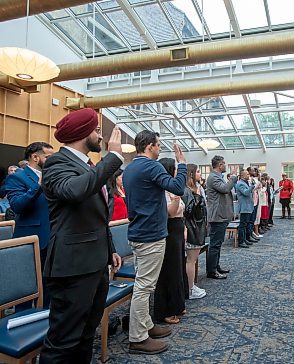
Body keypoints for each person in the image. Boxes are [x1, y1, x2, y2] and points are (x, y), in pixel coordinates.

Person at [39, 108, 123, 363]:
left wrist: (110, 249)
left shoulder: (88, 166)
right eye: (97, 130)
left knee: (87, 333)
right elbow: (74, 191)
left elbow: (97, 217)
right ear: (82, 133)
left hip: (95, 262)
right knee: (64, 341)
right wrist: (114, 157)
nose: (100, 136)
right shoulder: (57, 163)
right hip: (73, 267)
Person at [123, 130, 186, 355]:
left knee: (145, 284)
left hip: (139, 232)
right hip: (150, 234)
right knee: (144, 287)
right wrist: (182, 164)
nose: (160, 149)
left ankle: (146, 325)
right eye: (158, 145)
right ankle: (138, 338)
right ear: (149, 146)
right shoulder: (151, 166)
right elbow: (178, 188)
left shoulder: (130, 167)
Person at [3, 142, 54, 309]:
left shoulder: (51, 175)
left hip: (52, 238)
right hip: (30, 239)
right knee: (26, 290)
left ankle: (45, 323)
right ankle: (24, 330)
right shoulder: (17, 177)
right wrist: (37, 187)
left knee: (49, 287)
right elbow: (17, 205)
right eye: (48, 157)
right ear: (35, 157)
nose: (51, 160)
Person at [154, 158, 187, 326]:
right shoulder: (163, 190)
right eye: (175, 169)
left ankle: (178, 304)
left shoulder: (172, 188)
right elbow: (171, 212)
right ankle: (166, 310)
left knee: (179, 268)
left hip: (178, 229)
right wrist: (175, 198)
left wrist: (185, 229)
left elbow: (182, 212)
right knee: (170, 270)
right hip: (169, 229)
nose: (177, 173)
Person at [206, 155, 237, 279]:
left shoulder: (218, 177)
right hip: (217, 215)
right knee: (215, 244)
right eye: (224, 163)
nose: (225, 165)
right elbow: (225, 189)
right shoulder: (213, 177)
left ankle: (215, 266)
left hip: (221, 215)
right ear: (219, 165)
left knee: (218, 243)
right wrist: (233, 177)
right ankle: (211, 271)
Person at [182, 163, 208, 299]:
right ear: (191, 174)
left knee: (192, 260)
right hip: (192, 228)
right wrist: (198, 197)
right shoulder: (187, 190)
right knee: (191, 260)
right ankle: (190, 289)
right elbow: (189, 211)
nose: (200, 174)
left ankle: (190, 285)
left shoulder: (195, 188)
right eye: (198, 171)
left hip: (196, 227)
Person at [235, 169, 255, 248]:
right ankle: (241, 241)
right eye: (247, 174)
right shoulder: (240, 184)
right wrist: (253, 186)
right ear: (242, 175)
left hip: (248, 206)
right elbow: (246, 193)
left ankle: (245, 239)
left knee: (246, 224)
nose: (248, 175)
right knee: (242, 225)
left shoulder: (245, 183)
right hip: (244, 207)